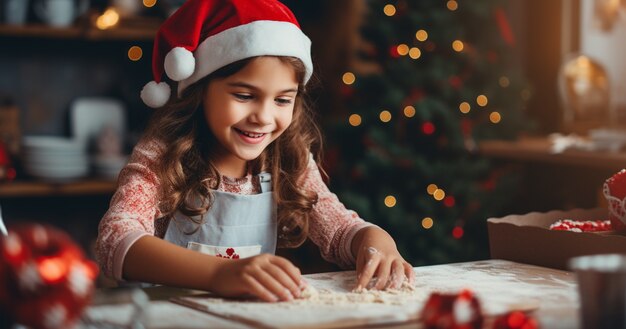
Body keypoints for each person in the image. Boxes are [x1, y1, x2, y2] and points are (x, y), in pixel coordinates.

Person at [96, 0, 414, 303]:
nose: (263, 116)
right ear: (200, 90)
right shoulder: (161, 154)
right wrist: (221, 273)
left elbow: (340, 228)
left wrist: (374, 241)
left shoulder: (290, 157)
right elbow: (116, 239)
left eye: (282, 100)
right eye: (245, 95)